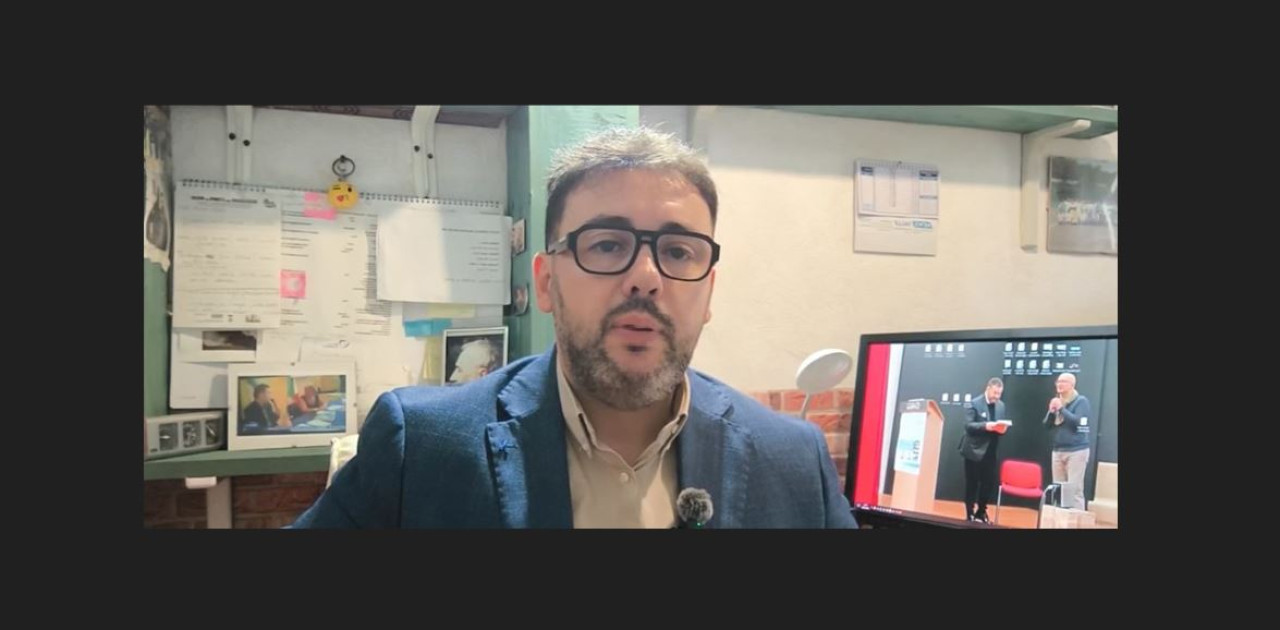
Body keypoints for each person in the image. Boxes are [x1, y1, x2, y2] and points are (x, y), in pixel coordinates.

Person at [291, 126, 855, 528]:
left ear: (708, 291)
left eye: (678, 251)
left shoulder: (793, 460)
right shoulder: (421, 447)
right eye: (606, 245)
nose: (645, 277)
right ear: (545, 282)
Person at [959, 377, 1007, 523]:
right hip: (973, 450)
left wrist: (1002, 429)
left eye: (999, 394)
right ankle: (969, 512)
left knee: (988, 483)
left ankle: (981, 512)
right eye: (995, 393)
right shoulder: (974, 403)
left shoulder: (1001, 405)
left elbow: (999, 424)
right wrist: (986, 426)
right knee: (972, 483)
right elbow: (968, 425)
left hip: (991, 451)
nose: (996, 397)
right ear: (988, 388)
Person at [1044, 372, 1092, 510]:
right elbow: (1047, 426)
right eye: (1058, 381)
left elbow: (1078, 423)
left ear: (1072, 385)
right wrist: (1051, 411)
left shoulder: (1081, 401)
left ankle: (1077, 520)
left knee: (1074, 490)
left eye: (1063, 382)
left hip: (1076, 451)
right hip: (1058, 451)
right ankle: (1060, 520)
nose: (1059, 384)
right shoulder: (1058, 401)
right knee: (1059, 491)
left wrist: (1061, 409)